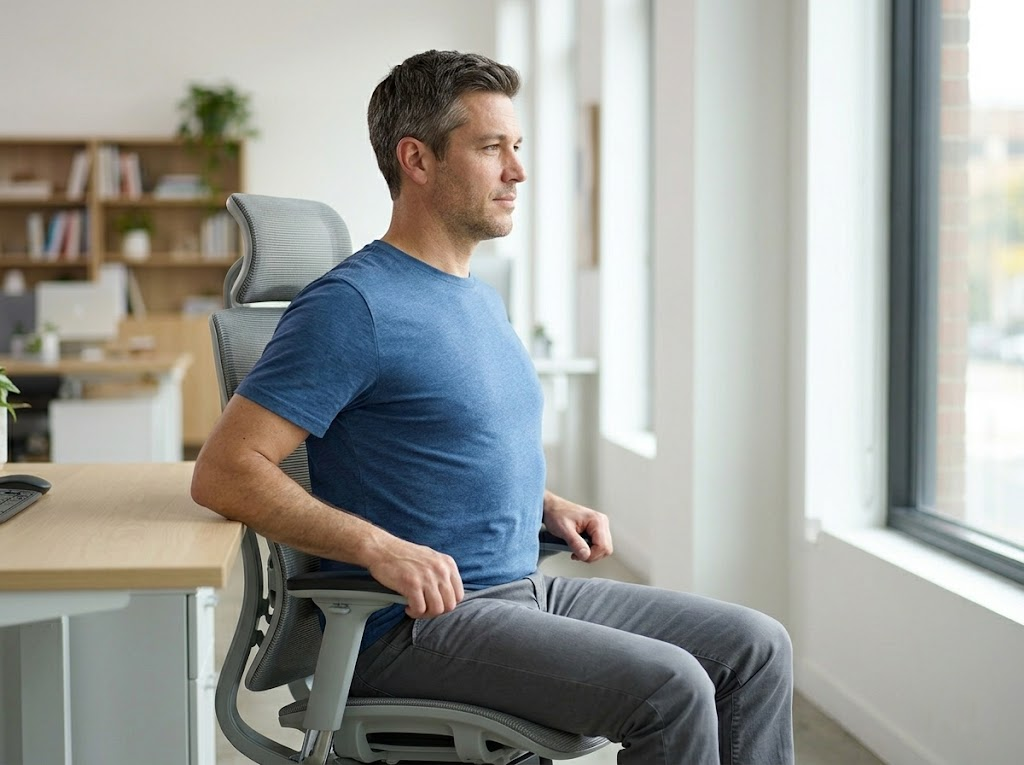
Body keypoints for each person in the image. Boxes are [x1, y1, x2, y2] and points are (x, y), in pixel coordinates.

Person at [191, 49, 794, 764]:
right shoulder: (352, 306)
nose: (519, 171)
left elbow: (445, 440)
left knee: (756, 647)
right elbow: (225, 470)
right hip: (416, 622)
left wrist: (545, 501)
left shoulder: (475, 294)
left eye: (518, 147)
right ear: (417, 159)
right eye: (491, 148)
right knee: (672, 688)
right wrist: (377, 547)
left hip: (520, 587)